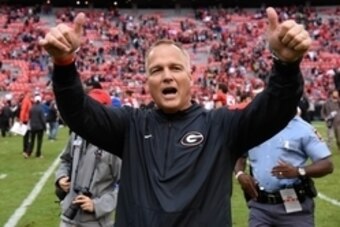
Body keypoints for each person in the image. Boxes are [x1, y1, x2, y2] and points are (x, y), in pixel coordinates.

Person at [40, 7, 311, 227]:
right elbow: (79, 113)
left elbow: (274, 109)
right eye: (157, 70)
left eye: (175, 68)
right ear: (147, 82)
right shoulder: (130, 126)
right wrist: (64, 65)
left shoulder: (222, 126)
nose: (167, 75)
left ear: (190, 78)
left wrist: (286, 66)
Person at [234, 108, 333, 227]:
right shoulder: (253, 127)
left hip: (295, 207)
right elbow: (238, 154)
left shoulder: (303, 129)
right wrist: (239, 174)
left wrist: (298, 171)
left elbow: (327, 164)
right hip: (260, 206)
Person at [55, 88, 121, 227]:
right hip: (68, 216)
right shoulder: (76, 135)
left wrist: (98, 205)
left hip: (97, 221)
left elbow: (127, 185)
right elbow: (66, 160)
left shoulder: (115, 144)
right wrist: (61, 177)